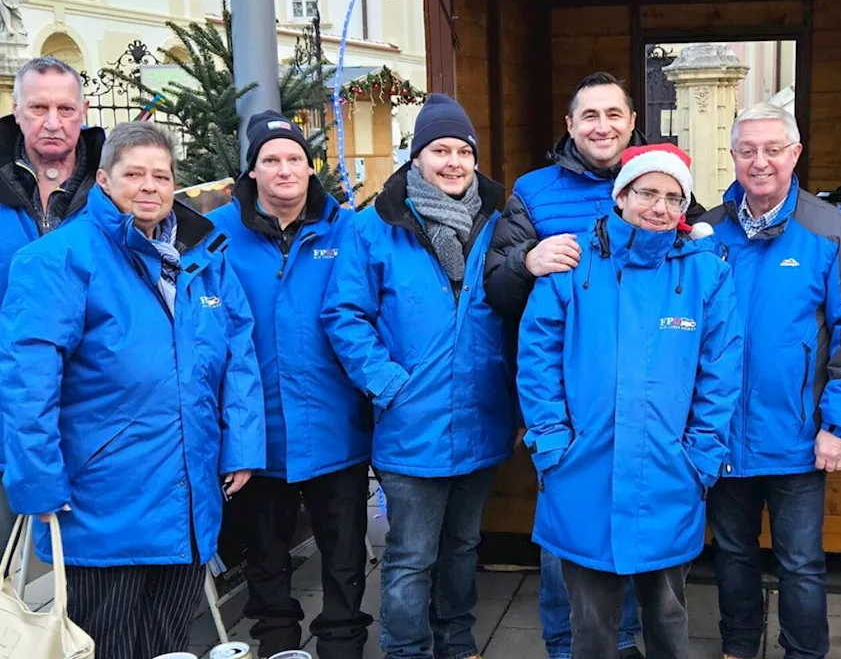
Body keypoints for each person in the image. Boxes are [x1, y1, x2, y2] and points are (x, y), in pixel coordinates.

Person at [0, 121, 266, 659]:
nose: (149, 186)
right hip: (102, 498)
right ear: (102, 179)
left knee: (170, 641)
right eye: (134, 174)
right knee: (109, 644)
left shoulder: (203, 258)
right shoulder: (59, 259)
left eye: (161, 175)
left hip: (188, 495)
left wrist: (241, 444)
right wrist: (36, 481)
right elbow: (28, 383)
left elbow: (239, 354)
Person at [485, 71, 704, 659]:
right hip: (580, 426)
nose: (602, 125)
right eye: (589, 115)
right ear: (570, 126)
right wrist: (527, 261)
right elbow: (503, 294)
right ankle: (565, 648)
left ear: (632, 122)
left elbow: (697, 265)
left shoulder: (669, 194)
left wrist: (701, 453)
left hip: (654, 435)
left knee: (652, 579)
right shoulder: (533, 192)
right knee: (574, 568)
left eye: (614, 114)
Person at [519, 143, 742, 659]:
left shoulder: (706, 273)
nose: (659, 207)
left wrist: (701, 455)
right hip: (584, 470)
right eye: (647, 193)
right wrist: (552, 445)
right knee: (591, 626)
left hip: (670, 472)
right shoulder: (572, 262)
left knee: (667, 619)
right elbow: (537, 360)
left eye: (673, 198)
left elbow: (721, 372)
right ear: (621, 195)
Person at [322, 94, 513, 659]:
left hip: (481, 418)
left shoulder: (500, 222)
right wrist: (387, 384)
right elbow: (343, 313)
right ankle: (408, 650)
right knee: (411, 555)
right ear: (417, 157)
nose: (453, 161)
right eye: (439, 150)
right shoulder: (375, 228)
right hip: (412, 424)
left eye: (462, 151)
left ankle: (457, 643)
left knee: (463, 548)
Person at [698, 102, 841, 659]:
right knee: (731, 553)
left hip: (799, 434)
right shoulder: (708, 230)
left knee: (800, 562)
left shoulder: (832, 230)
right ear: (732, 157)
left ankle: (805, 652)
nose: (760, 162)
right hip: (722, 430)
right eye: (747, 151)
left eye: (773, 149)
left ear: (795, 154)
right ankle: (738, 647)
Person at [209, 111, 373, 658]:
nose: (284, 169)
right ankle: (278, 644)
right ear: (252, 171)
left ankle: (343, 643)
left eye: (294, 159)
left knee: (345, 553)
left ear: (311, 166)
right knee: (266, 556)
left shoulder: (346, 229)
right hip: (260, 436)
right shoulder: (216, 237)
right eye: (270, 159)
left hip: (336, 429)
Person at [0, 56, 106, 542]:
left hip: (95, 404)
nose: (52, 121)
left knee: (84, 566)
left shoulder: (115, 188)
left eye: (65, 108)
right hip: (11, 394)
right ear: (17, 111)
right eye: (38, 107)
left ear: (83, 112)